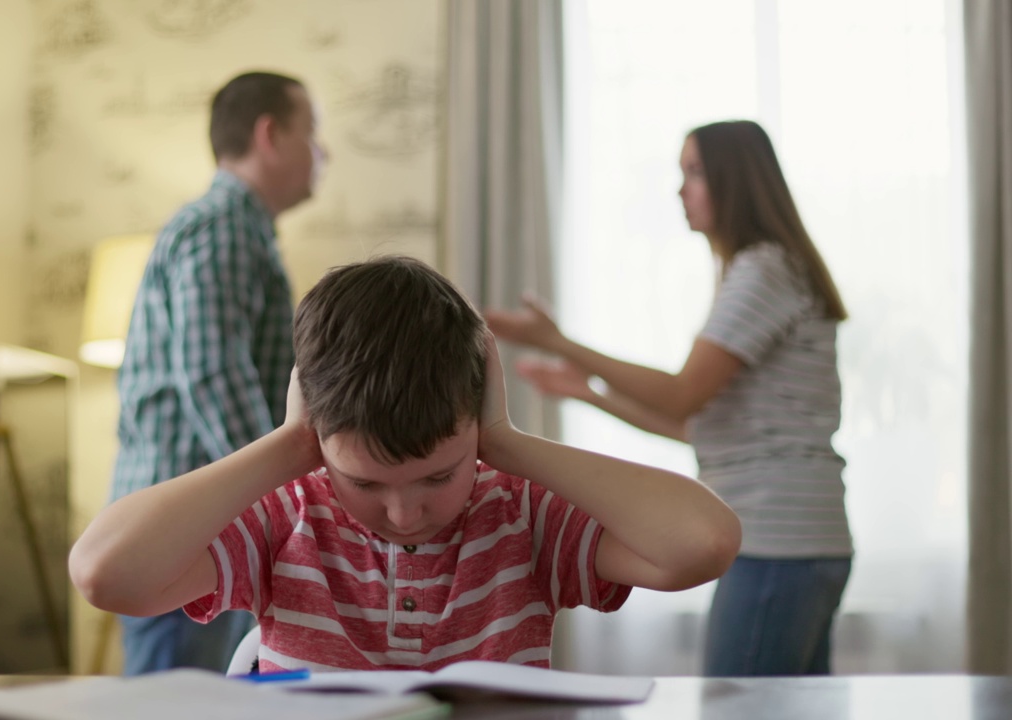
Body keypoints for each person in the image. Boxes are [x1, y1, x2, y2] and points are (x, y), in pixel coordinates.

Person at [72, 255, 741, 672]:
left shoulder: (519, 513)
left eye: (439, 475)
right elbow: (104, 575)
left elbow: (704, 544)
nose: (404, 511)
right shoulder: (287, 515)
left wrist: (505, 442)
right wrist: (287, 445)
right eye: (364, 482)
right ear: (317, 435)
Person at [485, 120, 853, 677]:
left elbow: (681, 396)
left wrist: (556, 341)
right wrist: (587, 395)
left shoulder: (763, 270)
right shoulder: (767, 270)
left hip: (778, 536)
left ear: (736, 180)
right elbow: (695, 426)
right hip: (802, 535)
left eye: (696, 172)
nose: (682, 189)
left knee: (739, 712)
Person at [109, 70, 327, 674]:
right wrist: (285, 491)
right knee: (179, 705)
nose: (322, 153)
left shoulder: (235, 229)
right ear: (270, 135)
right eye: (313, 133)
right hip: (190, 523)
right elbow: (212, 373)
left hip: (199, 517)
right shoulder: (225, 228)